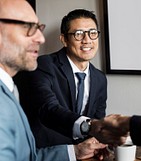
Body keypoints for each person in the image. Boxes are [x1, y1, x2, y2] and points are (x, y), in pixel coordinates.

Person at [0, 0, 106, 160]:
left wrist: (92, 145)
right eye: (27, 27)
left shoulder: (100, 78)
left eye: (92, 33)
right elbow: (49, 109)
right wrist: (91, 126)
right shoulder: (41, 65)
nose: (87, 40)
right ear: (64, 39)